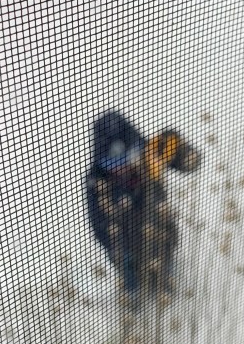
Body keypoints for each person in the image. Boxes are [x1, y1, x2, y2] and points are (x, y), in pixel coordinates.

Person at [85, 111, 201, 306]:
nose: (120, 168)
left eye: (125, 160)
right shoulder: (97, 183)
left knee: (164, 263)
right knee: (130, 276)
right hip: (125, 245)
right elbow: (97, 223)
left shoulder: (147, 156)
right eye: (111, 163)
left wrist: (181, 152)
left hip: (160, 232)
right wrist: (115, 247)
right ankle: (133, 298)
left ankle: (166, 285)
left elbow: (184, 162)